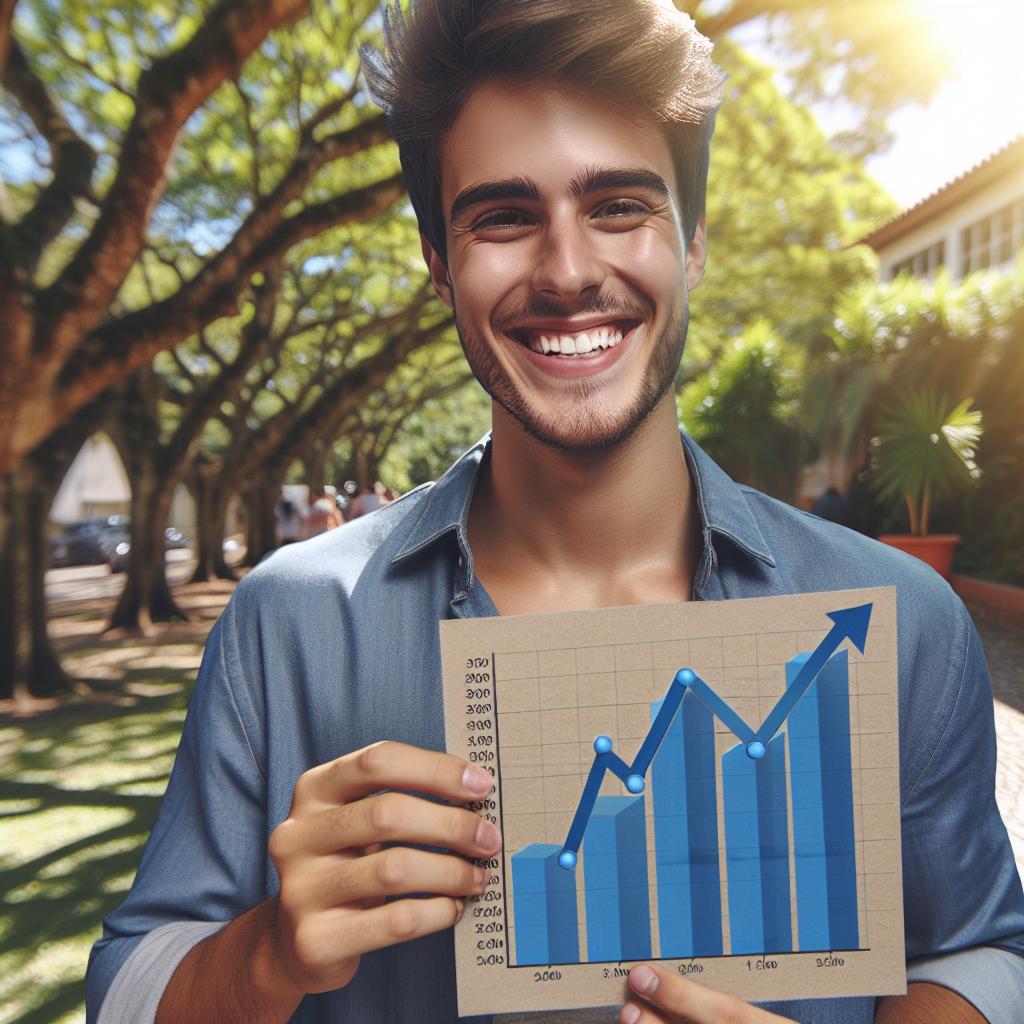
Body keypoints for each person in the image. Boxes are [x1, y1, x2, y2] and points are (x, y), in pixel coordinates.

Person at [86, 2, 1024, 1023]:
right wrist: (264, 953)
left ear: (693, 242)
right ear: (439, 266)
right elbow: (131, 978)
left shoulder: (903, 617)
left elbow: (978, 949)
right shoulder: (287, 625)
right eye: (501, 216)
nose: (569, 270)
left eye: (619, 204)